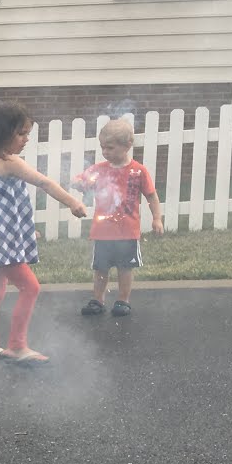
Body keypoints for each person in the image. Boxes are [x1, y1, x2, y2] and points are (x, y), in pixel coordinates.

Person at [0, 104, 87, 365]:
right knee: (30, 287)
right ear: (5, 133)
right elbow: (44, 182)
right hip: (2, 243)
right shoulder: (10, 163)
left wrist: (23, 229)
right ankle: (17, 346)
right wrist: (72, 202)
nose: (26, 139)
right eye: (21, 133)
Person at [71, 118, 164, 317]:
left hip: (127, 232)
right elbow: (80, 180)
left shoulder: (138, 171)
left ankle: (123, 300)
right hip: (102, 232)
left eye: (110, 148)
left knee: (125, 268)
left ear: (127, 145)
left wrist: (157, 218)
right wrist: (77, 183)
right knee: (100, 268)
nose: (105, 152)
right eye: (103, 147)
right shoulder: (99, 169)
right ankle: (98, 300)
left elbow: (151, 196)